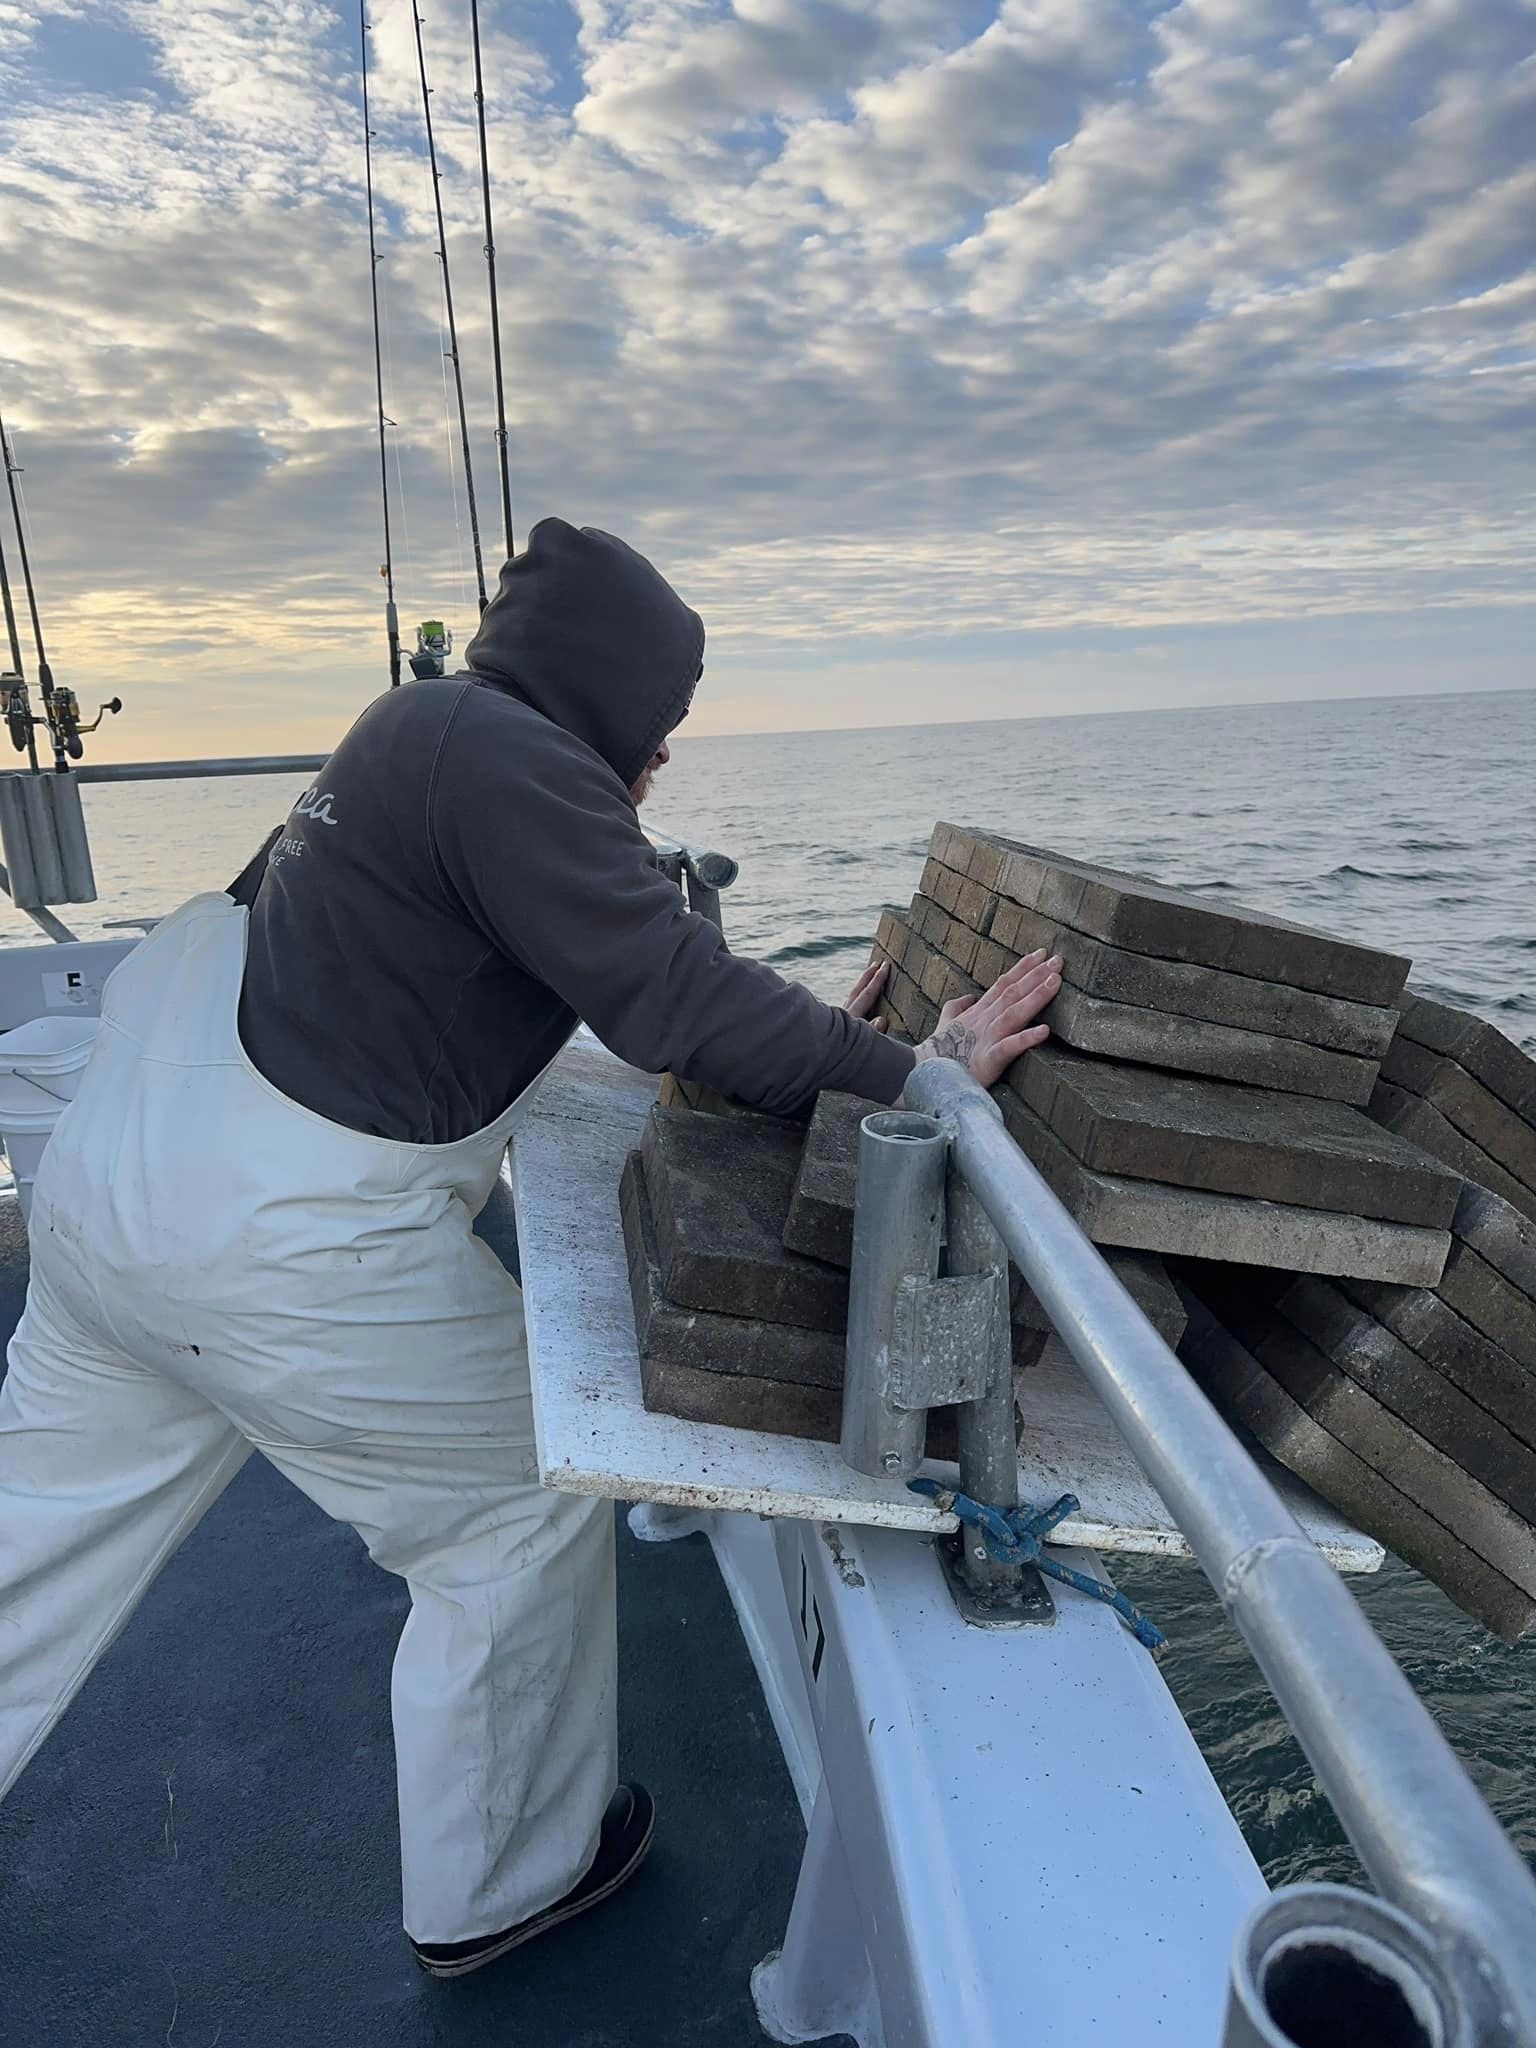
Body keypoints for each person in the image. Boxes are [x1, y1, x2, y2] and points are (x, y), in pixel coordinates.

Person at [0, 518, 1061, 1978]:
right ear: (601, 689)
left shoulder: (412, 730)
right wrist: (921, 1077)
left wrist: (793, 1025)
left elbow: (517, 950)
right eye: (660, 716)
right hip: (266, 1247)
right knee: (515, 1506)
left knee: (34, 1527)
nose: (663, 754)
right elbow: (676, 1000)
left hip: (111, 1185)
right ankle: (501, 1885)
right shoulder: (514, 762)